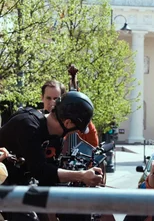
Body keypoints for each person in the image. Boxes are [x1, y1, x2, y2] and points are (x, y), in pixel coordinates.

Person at [0, 91, 103, 220]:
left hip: (21, 183)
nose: (75, 133)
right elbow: (40, 170)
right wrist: (81, 176)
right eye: (77, 129)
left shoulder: (56, 138)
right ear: (68, 123)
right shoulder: (28, 125)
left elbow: (50, 175)